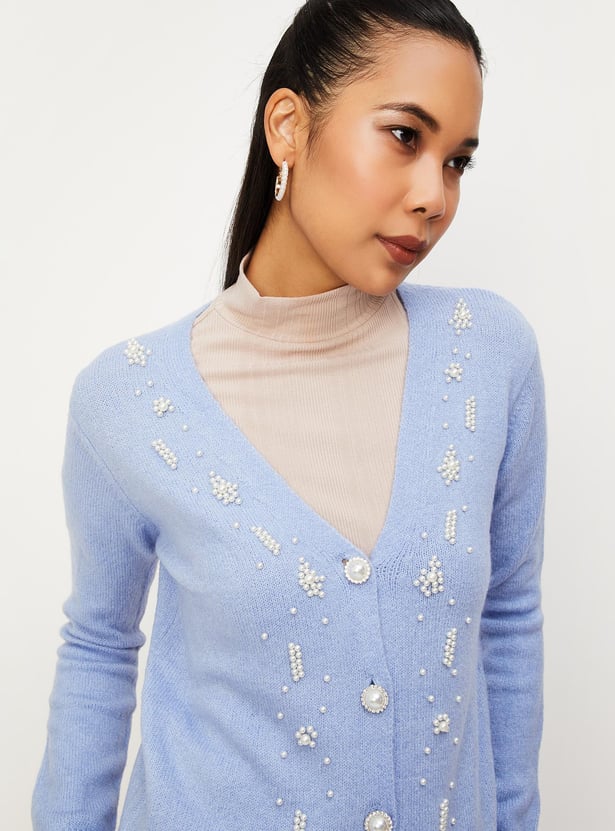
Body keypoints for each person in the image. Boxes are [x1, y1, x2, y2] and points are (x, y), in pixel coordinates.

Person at [32, 1, 547, 829]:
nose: (433, 196)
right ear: (287, 127)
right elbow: (99, 646)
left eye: (457, 161)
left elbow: (508, 618)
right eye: (404, 136)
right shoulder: (127, 401)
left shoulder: (488, 354)